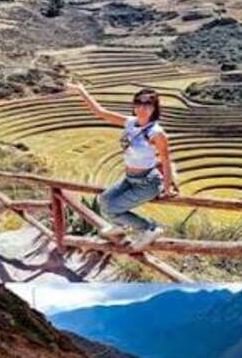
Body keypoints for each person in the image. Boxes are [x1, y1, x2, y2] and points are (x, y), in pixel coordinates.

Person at [68, 83, 179, 251]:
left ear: (154, 108)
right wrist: (81, 91)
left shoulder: (157, 132)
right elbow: (100, 112)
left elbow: (165, 159)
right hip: (130, 178)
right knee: (104, 200)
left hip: (147, 182)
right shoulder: (130, 123)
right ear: (133, 106)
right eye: (139, 103)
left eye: (148, 104)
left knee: (112, 209)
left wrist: (167, 187)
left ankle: (150, 228)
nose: (142, 108)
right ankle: (121, 226)